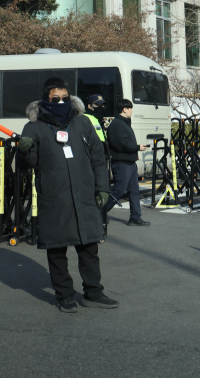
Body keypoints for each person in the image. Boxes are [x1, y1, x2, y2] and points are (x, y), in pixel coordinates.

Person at [17, 77, 119, 313]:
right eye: (56, 99)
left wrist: (103, 188)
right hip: (55, 198)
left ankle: (93, 292)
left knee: (89, 248)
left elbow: (97, 157)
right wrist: (23, 152)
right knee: (57, 249)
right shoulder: (34, 127)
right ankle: (64, 295)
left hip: (84, 196)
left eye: (65, 98)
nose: (61, 102)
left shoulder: (82, 123)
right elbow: (27, 164)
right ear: (46, 99)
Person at [105, 99, 150, 226]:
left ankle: (135, 217)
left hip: (130, 163)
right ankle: (99, 212)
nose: (131, 111)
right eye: (130, 108)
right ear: (124, 109)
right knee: (118, 190)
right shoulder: (117, 124)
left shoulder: (124, 123)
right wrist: (137, 147)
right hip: (121, 163)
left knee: (134, 191)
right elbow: (121, 144)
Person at [84, 94, 109, 161]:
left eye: (102, 105)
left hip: (100, 154)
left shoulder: (98, 118)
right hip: (92, 156)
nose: (102, 107)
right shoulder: (85, 118)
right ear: (89, 106)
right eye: (98, 105)